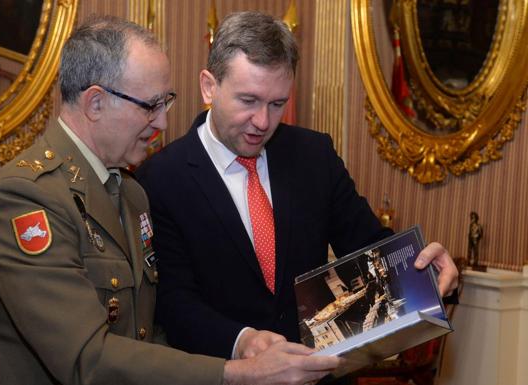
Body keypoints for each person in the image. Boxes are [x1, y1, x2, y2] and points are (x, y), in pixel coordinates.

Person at [0, 16, 342, 385]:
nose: (163, 122)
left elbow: (149, 332)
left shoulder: (129, 192)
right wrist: (235, 374)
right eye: (149, 106)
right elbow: (86, 358)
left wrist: (242, 344)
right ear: (95, 103)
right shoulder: (24, 198)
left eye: (166, 103)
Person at [136, 10, 459, 364]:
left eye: (277, 104)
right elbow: (173, 301)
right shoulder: (161, 178)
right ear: (209, 86)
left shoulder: (313, 155)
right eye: (248, 100)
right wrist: (244, 342)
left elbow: (369, 246)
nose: (262, 122)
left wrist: (424, 269)